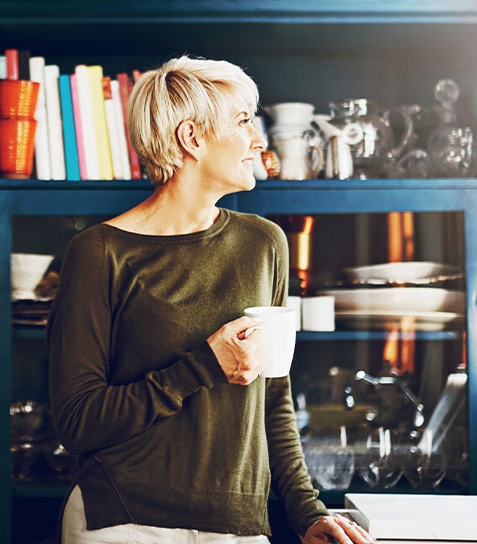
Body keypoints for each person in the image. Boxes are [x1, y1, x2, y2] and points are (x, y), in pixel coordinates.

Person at [47, 56, 378, 544]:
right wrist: (203, 365)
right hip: (121, 520)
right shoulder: (99, 252)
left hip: (238, 526)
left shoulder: (264, 243)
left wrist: (307, 513)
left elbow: (272, 399)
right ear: (192, 138)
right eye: (243, 122)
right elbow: (78, 424)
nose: (257, 141)